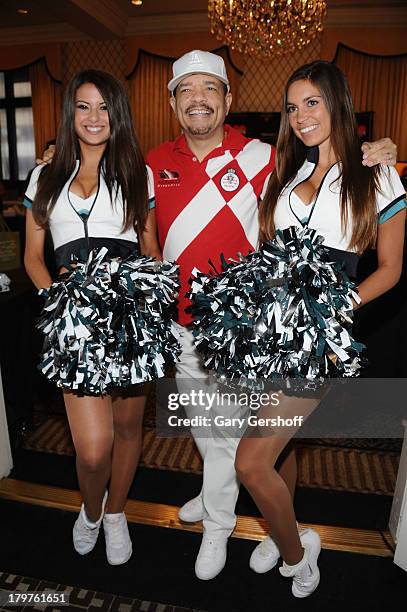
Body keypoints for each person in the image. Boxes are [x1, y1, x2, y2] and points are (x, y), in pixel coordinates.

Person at [39, 52, 398, 580]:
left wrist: (379, 148)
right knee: (207, 426)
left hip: (247, 327)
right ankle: (227, 502)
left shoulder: (264, 157)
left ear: (228, 99)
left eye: (211, 88)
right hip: (180, 319)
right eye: (187, 90)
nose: (199, 99)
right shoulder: (148, 163)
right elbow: (142, 232)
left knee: (239, 436)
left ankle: (218, 523)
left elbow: (343, 169)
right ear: (172, 102)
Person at [233, 60, 406, 597]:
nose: (302, 115)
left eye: (313, 102)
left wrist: (332, 309)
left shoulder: (377, 173)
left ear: (337, 102)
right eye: (293, 106)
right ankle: (282, 525)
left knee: (251, 460)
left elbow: (392, 269)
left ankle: (296, 553)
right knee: (281, 450)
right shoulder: (289, 174)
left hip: (317, 339)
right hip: (271, 331)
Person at [24, 69, 176, 566]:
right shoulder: (43, 176)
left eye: (105, 107)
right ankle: (90, 510)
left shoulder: (137, 174)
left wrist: (154, 299)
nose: (94, 118)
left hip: (131, 318)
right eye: (84, 106)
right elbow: (32, 257)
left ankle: (116, 512)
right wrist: (63, 304)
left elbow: (149, 245)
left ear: (118, 115)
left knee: (130, 430)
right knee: (93, 448)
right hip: (74, 323)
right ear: (70, 112)